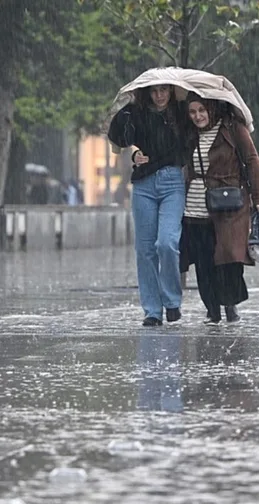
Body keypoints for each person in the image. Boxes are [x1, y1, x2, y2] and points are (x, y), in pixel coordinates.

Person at [142, 93, 259, 324]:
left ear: (211, 108)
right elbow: (168, 155)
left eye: (202, 110)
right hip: (194, 207)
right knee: (203, 262)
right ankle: (212, 310)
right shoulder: (188, 134)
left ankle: (229, 304)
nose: (198, 116)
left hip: (228, 205)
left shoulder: (232, 128)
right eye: (192, 112)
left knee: (228, 258)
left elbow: (252, 160)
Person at [108, 84, 187, 326]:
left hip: (173, 181)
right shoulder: (136, 113)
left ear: (171, 91)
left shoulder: (181, 113)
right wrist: (134, 155)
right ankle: (152, 310)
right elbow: (120, 139)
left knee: (167, 243)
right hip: (143, 183)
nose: (160, 96)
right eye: (154, 91)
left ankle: (172, 301)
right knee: (145, 250)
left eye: (164, 90)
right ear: (147, 93)